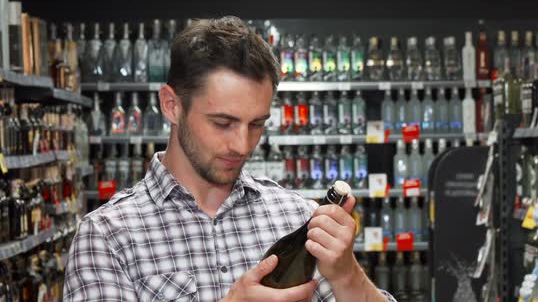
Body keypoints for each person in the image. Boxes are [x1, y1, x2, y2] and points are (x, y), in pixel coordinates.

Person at [63, 16, 396, 302]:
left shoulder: (297, 217)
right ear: (171, 105)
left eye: (256, 124)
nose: (242, 145)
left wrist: (347, 274)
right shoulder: (106, 236)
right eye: (223, 123)